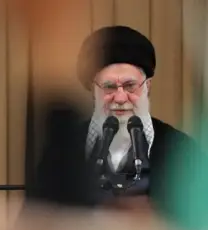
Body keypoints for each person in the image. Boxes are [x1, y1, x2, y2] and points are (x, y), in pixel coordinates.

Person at [27, 25, 194, 213]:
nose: (120, 98)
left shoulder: (182, 152)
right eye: (109, 87)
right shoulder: (62, 152)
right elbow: (33, 222)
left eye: (130, 86)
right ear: (93, 90)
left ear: (147, 87)